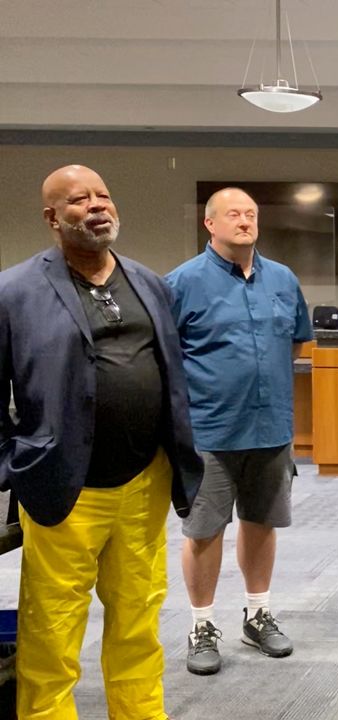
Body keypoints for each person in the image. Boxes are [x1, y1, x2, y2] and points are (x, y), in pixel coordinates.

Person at [0, 165, 203, 719]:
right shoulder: (14, 291)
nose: (95, 205)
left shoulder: (149, 283)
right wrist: (13, 465)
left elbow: (173, 372)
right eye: (78, 199)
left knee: (139, 619)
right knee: (52, 630)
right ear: (52, 217)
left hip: (144, 480)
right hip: (64, 485)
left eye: (103, 195)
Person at [166, 187, 314, 676]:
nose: (245, 221)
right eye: (233, 214)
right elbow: (166, 359)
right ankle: (202, 625)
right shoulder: (182, 283)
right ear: (210, 224)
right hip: (209, 431)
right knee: (205, 529)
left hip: (271, 429)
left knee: (261, 522)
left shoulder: (283, 279)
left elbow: (294, 343)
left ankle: (257, 613)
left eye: (251, 213)